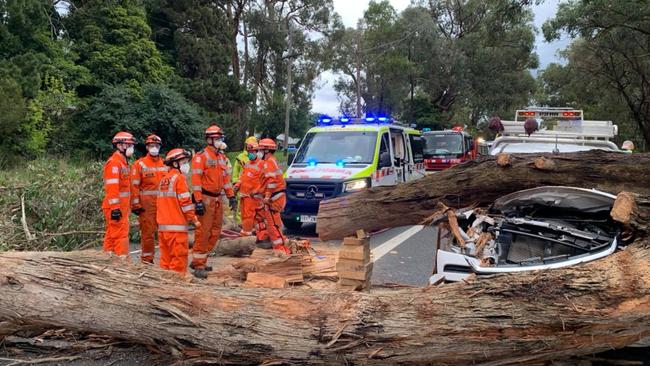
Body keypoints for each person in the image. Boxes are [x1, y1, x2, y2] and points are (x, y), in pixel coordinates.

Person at [190, 125, 236, 278]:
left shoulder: (221, 157)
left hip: (217, 199)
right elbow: (195, 180)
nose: (220, 141)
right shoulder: (201, 157)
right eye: (217, 138)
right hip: (205, 198)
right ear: (209, 140)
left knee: (215, 232)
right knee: (203, 232)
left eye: (221, 138)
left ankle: (201, 258)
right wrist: (198, 201)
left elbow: (226, 179)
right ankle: (198, 264)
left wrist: (231, 196)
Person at [157, 149, 200, 275]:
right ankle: (177, 286)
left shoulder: (164, 180)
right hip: (177, 229)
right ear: (175, 164)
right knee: (178, 259)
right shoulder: (179, 179)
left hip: (163, 228)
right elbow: (185, 204)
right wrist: (194, 220)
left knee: (165, 260)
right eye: (184, 161)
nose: (187, 164)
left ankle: (164, 284)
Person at [131, 134, 168, 263]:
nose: (154, 148)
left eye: (156, 146)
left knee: (166, 233)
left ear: (160, 147)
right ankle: (147, 260)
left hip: (164, 204)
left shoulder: (165, 163)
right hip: (147, 205)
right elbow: (134, 185)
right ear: (147, 147)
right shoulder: (139, 164)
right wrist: (135, 204)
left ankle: (166, 260)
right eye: (151, 146)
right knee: (148, 234)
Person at [102, 131, 136, 257]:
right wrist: (115, 208)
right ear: (120, 145)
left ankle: (108, 259)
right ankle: (121, 263)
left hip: (120, 207)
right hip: (115, 208)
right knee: (120, 235)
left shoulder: (123, 163)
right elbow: (112, 188)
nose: (131, 148)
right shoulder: (114, 163)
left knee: (112, 234)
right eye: (129, 145)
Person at [258, 138, 290, 254]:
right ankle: (279, 248)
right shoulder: (272, 161)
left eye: (260, 150)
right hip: (275, 197)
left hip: (274, 198)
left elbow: (271, 182)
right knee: (272, 225)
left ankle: (282, 250)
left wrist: (266, 197)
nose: (258, 152)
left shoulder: (269, 162)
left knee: (274, 225)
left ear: (266, 151)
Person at [234, 141, 265, 238]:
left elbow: (265, 181)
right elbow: (242, 177)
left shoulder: (262, 164)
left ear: (257, 152)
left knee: (250, 216)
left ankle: (247, 236)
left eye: (252, 151)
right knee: (245, 216)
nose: (250, 153)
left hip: (253, 197)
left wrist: (257, 191)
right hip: (244, 195)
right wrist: (237, 185)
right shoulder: (247, 163)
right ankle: (253, 235)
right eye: (249, 151)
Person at [232, 136, 258, 223]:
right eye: (248, 146)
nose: (249, 148)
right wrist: (235, 183)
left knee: (253, 207)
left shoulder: (259, 158)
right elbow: (236, 171)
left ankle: (251, 225)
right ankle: (241, 225)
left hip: (254, 188)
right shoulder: (240, 157)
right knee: (241, 207)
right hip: (242, 186)